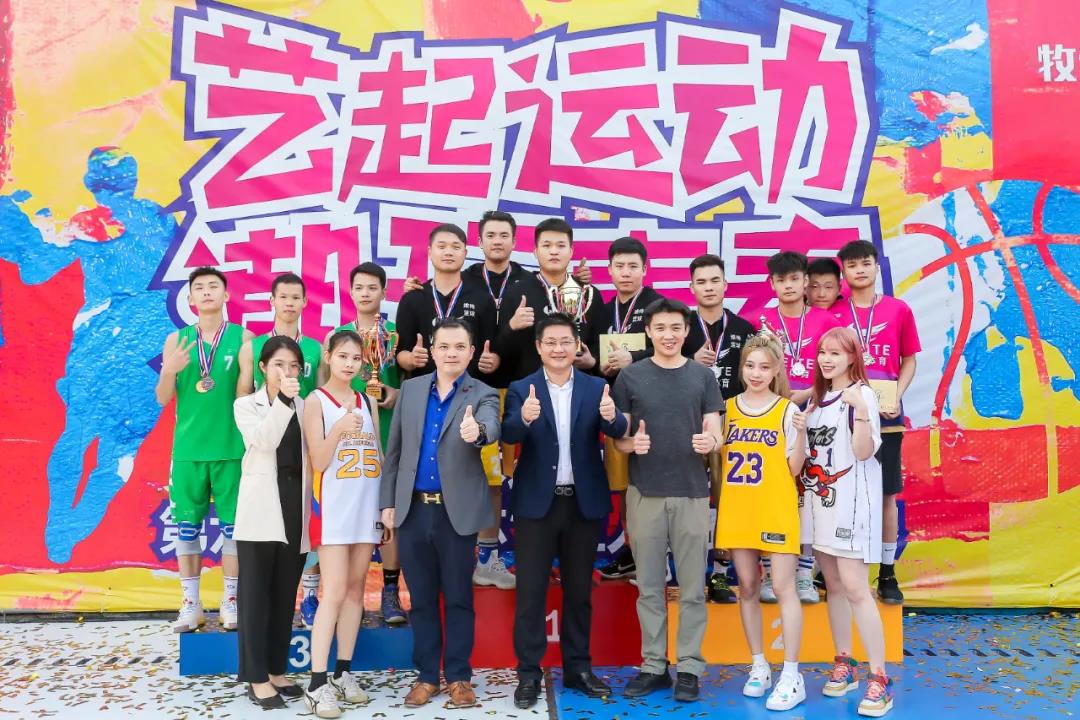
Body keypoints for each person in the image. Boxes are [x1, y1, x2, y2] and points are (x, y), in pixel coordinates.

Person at [502, 314, 630, 709]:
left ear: (577, 346)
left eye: (565, 342)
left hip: (582, 503)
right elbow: (508, 433)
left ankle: (578, 669)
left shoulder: (596, 387)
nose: (559, 349)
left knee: (579, 592)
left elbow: (618, 429)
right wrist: (523, 419)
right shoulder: (522, 388)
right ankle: (528, 674)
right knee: (530, 593)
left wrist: (612, 417)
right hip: (536, 505)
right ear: (539, 347)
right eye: (551, 342)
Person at [380, 319, 501, 710]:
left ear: (471, 352)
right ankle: (428, 676)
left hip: (455, 513)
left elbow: (491, 426)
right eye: (444, 346)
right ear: (432, 351)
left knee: (459, 597)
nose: (452, 353)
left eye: (460, 347)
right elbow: (395, 451)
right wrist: (387, 502)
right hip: (413, 510)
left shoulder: (482, 393)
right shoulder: (412, 390)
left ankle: (460, 676)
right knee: (422, 598)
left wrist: (476, 433)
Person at [612, 298, 723, 703]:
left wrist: (711, 441)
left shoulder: (703, 377)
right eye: (660, 328)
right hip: (645, 494)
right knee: (649, 587)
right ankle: (654, 666)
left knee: (692, 587)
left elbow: (716, 430)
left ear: (686, 331)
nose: (668, 335)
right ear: (648, 331)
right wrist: (631, 444)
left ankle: (690, 666)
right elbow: (619, 439)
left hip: (692, 493)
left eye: (676, 327)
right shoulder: (630, 377)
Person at [299, 263, 406, 629]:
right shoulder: (338, 336)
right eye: (359, 287)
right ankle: (329, 595)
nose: (365, 293)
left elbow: (408, 385)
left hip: (385, 433)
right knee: (336, 516)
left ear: (384, 292)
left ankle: (390, 591)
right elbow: (321, 384)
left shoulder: (395, 334)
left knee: (384, 513)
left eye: (372, 287)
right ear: (350, 291)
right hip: (342, 445)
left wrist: (392, 395)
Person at [800, 326, 893, 717]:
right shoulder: (817, 400)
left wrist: (861, 413)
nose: (827, 359)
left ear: (853, 357)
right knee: (834, 586)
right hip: (820, 505)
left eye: (836, 353)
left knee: (856, 588)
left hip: (851, 508)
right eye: (823, 352)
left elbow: (863, 451)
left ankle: (880, 678)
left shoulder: (861, 395)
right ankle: (845, 661)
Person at [155, 267, 253, 633]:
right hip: (188, 451)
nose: (207, 291)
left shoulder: (244, 338)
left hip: (231, 448)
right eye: (199, 287)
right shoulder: (176, 341)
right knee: (186, 528)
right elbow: (163, 398)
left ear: (226, 295)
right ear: (191, 298)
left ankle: (231, 601)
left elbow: (249, 393)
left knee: (233, 530)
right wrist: (169, 371)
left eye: (214, 286)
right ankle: (191, 604)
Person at [714, 333, 809, 711]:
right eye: (750, 366)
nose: (756, 373)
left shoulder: (786, 410)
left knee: (783, 587)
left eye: (764, 367)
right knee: (749, 586)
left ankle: (792, 673)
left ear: (776, 371)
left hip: (775, 508)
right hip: (739, 509)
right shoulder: (726, 409)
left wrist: (801, 432)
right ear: (742, 369)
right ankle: (759, 665)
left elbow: (795, 468)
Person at [301, 330, 387, 719]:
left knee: (355, 592)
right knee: (333, 592)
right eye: (343, 356)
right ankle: (316, 683)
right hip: (334, 509)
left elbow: (379, 457)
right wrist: (339, 428)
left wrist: (384, 508)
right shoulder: (315, 401)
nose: (350, 364)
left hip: (365, 509)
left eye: (356, 358)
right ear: (328, 356)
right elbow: (318, 460)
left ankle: (342, 673)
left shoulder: (368, 400)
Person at [834, 240, 920, 605]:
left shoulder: (899, 309)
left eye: (865, 263)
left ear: (876, 267)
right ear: (844, 271)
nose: (859, 270)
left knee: (886, 496)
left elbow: (909, 359)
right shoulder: (834, 312)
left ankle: (887, 571)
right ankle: (832, 570)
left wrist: (897, 394)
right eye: (852, 265)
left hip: (887, 418)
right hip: (841, 419)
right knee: (839, 493)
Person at [233, 336, 311, 708]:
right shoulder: (245, 405)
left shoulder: (307, 405)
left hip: (295, 504)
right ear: (263, 367)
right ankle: (256, 675)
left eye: (294, 366)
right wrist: (282, 401)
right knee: (255, 595)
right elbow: (264, 442)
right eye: (279, 364)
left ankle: (277, 669)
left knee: (284, 593)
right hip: (261, 508)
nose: (287, 372)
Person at [761, 251, 841, 604]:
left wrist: (806, 393)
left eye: (794, 279)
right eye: (781, 280)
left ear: (805, 282)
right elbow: (754, 366)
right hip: (771, 415)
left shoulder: (826, 321)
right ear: (772, 283)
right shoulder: (761, 320)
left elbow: (837, 367)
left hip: (815, 415)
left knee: (809, 492)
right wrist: (779, 395)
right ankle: (769, 574)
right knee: (771, 495)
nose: (788, 286)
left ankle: (805, 573)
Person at [681, 254, 757, 603]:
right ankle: (690, 572)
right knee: (690, 499)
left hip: (733, 421)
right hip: (688, 422)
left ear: (726, 285)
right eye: (701, 282)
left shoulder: (744, 329)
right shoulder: (680, 326)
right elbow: (661, 365)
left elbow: (757, 376)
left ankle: (721, 575)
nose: (709, 288)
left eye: (715, 281)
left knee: (728, 498)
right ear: (691, 287)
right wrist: (689, 361)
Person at [462, 211, 528, 590]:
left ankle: (495, 557)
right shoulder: (466, 280)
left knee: (507, 479)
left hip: (519, 394)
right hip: (475, 393)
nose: (498, 241)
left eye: (504, 235)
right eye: (491, 235)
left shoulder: (528, 282)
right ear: (480, 241)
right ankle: (474, 556)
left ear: (514, 242)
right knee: (477, 477)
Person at [595, 236, 665, 581]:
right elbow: (592, 357)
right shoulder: (602, 310)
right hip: (615, 407)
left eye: (633, 266)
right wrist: (593, 362)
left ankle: (655, 555)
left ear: (645, 269)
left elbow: (673, 348)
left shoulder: (659, 306)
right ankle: (632, 550)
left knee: (651, 479)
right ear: (609, 270)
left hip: (655, 406)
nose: (625, 273)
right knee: (621, 483)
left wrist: (634, 357)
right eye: (619, 266)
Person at [496, 218, 606, 380]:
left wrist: (593, 361)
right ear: (535, 251)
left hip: (579, 385)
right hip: (530, 387)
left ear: (571, 251)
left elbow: (600, 344)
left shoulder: (588, 294)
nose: (554, 252)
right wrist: (512, 326)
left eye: (561, 246)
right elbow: (500, 351)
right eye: (547, 246)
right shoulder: (517, 293)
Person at [395, 223, 499, 383]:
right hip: (424, 389)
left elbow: (493, 351)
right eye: (441, 247)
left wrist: (492, 361)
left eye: (456, 247)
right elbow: (401, 353)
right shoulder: (412, 299)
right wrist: (412, 359)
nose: (448, 252)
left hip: (470, 389)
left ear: (465, 253)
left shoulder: (483, 300)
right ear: (430, 251)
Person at [237, 272, 322, 398]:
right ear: (272, 300)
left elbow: (322, 398)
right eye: (283, 297)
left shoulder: (317, 349)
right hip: (265, 411)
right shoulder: (251, 348)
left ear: (304, 301)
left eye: (295, 298)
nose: (289, 303)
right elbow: (243, 394)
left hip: (303, 411)